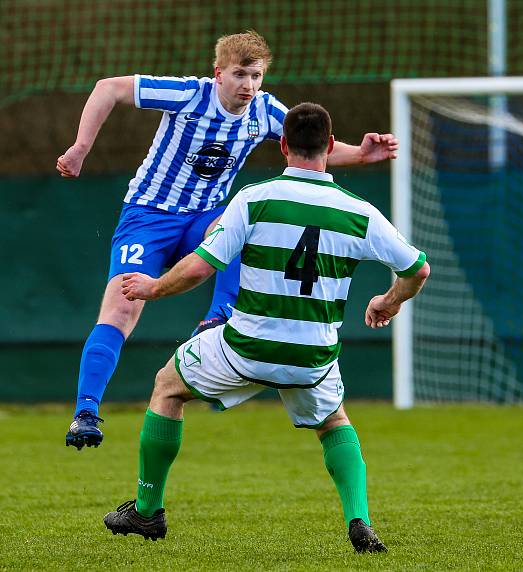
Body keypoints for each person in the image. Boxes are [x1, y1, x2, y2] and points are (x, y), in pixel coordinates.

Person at [102, 102, 429, 551]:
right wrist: (387, 301)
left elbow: (200, 267)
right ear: (331, 146)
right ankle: (360, 521)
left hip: (246, 346)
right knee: (334, 422)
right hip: (312, 356)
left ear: (282, 146)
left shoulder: (254, 199)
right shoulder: (360, 212)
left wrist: (154, 287)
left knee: (167, 387)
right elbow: (417, 269)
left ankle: (146, 512)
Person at [57, 31, 399, 449]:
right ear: (218, 74)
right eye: (240, 75)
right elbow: (108, 88)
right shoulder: (187, 95)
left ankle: (215, 320)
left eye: (256, 76)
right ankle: (86, 412)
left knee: (241, 229)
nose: (249, 86)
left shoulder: (266, 111)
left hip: (205, 218)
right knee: (122, 309)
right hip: (148, 215)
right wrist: (80, 147)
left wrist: (362, 153)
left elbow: (313, 148)